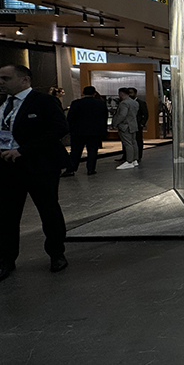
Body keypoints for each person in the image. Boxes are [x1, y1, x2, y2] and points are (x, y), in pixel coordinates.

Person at [0, 64, 70, 282]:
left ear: (24, 80)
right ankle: (6, 259)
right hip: (8, 167)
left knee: (48, 210)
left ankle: (56, 254)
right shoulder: (3, 103)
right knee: (7, 215)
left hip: (40, 166)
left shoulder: (44, 101)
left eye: (6, 78)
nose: (1, 82)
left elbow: (59, 128)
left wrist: (23, 150)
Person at [62, 86, 109, 177]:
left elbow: (70, 118)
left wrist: (70, 128)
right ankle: (91, 169)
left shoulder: (76, 103)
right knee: (92, 151)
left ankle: (71, 169)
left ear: (83, 93)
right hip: (95, 131)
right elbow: (104, 117)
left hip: (78, 131)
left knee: (75, 151)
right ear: (94, 93)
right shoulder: (100, 103)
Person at [112, 87, 139, 170]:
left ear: (121, 94)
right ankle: (135, 159)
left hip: (125, 126)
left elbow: (122, 115)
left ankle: (129, 161)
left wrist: (115, 123)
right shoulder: (135, 103)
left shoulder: (124, 103)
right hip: (133, 125)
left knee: (127, 143)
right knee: (133, 142)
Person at [127, 87, 148, 163]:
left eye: (131, 93)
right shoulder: (125, 102)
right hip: (128, 124)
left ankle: (138, 156)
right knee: (128, 140)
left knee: (138, 140)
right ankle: (127, 155)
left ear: (135, 93)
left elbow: (145, 114)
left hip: (137, 124)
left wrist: (142, 123)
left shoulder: (141, 103)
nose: (130, 95)